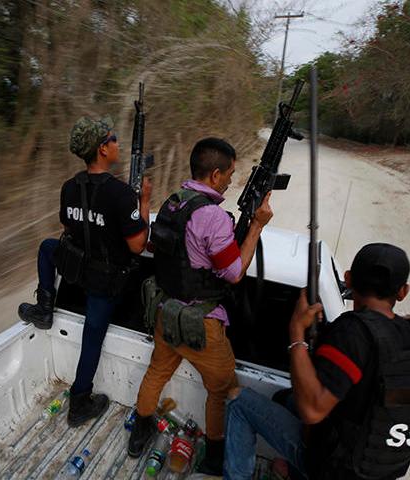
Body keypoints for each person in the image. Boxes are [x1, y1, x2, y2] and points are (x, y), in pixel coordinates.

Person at [224, 243, 410, 480]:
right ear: (403, 292)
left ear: (349, 280)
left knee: (238, 402)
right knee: (286, 399)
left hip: (330, 468)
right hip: (374, 466)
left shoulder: (351, 333)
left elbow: (312, 411)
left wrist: (297, 332)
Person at [128, 137, 273, 475]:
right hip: (201, 323)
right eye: (230, 174)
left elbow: (154, 245)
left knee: (157, 372)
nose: (232, 181)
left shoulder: (172, 203)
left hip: (165, 313)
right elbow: (234, 273)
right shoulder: (213, 217)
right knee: (221, 389)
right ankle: (213, 454)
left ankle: (140, 430)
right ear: (215, 174)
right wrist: (256, 226)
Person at [23, 116, 151, 427]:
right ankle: (80, 402)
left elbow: (69, 227)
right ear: (102, 149)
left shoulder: (69, 187)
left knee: (46, 247)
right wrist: (144, 202)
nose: (118, 143)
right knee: (92, 337)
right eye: (113, 138)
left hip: (77, 270)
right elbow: (138, 246)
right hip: (105, 282)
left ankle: (45, 306)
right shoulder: (122, 194)